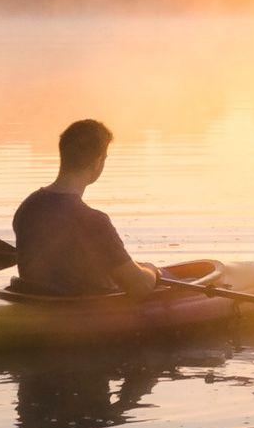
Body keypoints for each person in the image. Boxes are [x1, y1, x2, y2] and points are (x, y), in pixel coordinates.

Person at [11, 119, 160, 298]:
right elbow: (140, 285)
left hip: (39, 304)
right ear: (98, 162)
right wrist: (151, 270)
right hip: (79, 312)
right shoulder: (93, 221)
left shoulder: (28, 207)